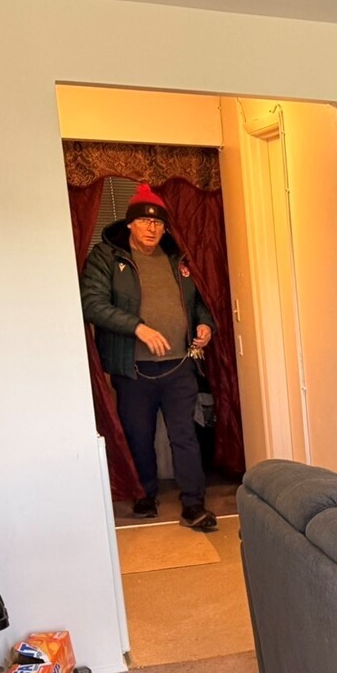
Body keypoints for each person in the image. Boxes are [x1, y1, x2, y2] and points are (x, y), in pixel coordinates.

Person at [81, 184, 218, 531]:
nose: (152, 228)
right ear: (130, 223)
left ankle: (194, 504)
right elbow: (92, 303)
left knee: (184, 435)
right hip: (133, 368)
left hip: (179, 365)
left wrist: (205, 324)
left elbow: (199, 303)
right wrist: (137, 328)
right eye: (144, 220)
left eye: (157, 222)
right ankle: (145, 494)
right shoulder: (107, 257)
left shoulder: (178, 258)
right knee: (138, 434)